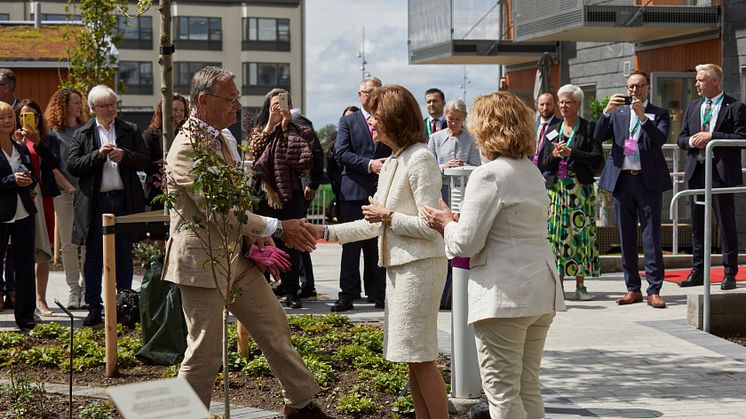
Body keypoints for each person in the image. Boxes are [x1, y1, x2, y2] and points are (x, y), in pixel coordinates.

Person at [162, 66, 329, 417]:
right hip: (202, 262)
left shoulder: (220, 137)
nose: (238, 105)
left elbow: (238, 204)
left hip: (237, 259)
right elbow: (220, 211)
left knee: (274, 328)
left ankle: (299, 405)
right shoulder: (187, 147)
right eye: (231, 98)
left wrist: (258, 242)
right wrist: (279, 229)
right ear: (204, 101)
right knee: (205, 353)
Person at [422, 91, 565, 419]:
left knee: (502, 394)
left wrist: (444, 223)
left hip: (505, 297)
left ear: (485, 128)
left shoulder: (488, 175)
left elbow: (465, 244)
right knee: (528, 386)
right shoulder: (531, 172)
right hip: (540, 291)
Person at [315, 84, 449, 418]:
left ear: (394, 118)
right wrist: (324, 231)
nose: (371, 122)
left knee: (421, 358)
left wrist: (388, 216)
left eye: (376, 115)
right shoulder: (392, 161)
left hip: (419, 270)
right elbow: (374, 224)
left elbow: (431, 226)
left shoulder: (420, 159)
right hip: (401, 271)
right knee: (412, 359)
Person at [67, 85, 150, 327]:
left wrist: (125, 156)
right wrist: (98, 155)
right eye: (104, 105)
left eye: (113, 104)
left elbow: (145, 159)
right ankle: (94, 307)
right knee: (93, 257)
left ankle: (124, 307)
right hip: (95, 203)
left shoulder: (129, 129)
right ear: (93, 109)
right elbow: (72, 165)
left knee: (123, 254)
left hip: (123, 200)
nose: (110, 109)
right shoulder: (83, 134)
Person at [595, 71, 671, 308]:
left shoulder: (659, 114)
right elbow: (597, 136)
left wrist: (643, 118)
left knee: (651, 236)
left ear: (647, 88)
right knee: (626, 237)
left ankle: (654, 289)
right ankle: (632, 288)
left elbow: (659, 140)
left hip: (647, 181)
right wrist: (606, 112)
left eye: (638, 86)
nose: (634, 91)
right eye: (630, 87)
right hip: (623, 181)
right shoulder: (617, 114)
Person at [677, 63, 746, 291]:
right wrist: (691, 142)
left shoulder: (735, 107)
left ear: (715, 82)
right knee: (697, 224)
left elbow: (741, 138)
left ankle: (729, 273)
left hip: (721, 174)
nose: (696, 84)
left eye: (700, 80)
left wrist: (712, 136)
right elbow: (681, 137)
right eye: (696, 80)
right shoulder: (693, 106)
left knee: (726, 224)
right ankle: (698, 270)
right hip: (697, 171)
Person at [248, 88, 314, 309]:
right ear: (267, 107)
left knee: (292, 243)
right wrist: (270, 124)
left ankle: (291, 290)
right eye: (274, 104)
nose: (278, 107)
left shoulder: (298, 129)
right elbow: (254, 154)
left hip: (290, 194)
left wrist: (286, 126)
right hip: (264, 195)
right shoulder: (259, 130)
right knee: (265, 240)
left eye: (282, 103)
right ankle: (265, 289)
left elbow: (300, 158)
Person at [538, 84, 603, 301]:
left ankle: (581, 285)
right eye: (561, 102)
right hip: (557, 190)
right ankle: (559, 285)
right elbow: (543, 163)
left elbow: (597, 160)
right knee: (557, 236)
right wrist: (555, 155)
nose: (563, 106)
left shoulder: (589, 128)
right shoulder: (552, 129)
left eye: (568, 102)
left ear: (578, 104)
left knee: (580, 235)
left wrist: (572, 152)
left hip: (580, 190)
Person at [333, 77, 391, 312]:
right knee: (350, 246)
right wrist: (370, 164)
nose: (370, 96)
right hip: (354, 191)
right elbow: (341, 153)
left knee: (377, 247)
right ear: (359, 95)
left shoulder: (389, 120)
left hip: (381, 193)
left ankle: (379, 294)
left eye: (375, 91)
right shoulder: (349, 121)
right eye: (366, 92)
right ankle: (347, 295)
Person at [14, 99, 59, 318]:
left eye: (32, 116)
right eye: (22, 116)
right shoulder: (10, 141)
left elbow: (54, 163)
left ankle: (40, 299)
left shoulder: (47, 139)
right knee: (20, 252)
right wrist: (18, 144)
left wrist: (37, 143)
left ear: (40, 119)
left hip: (42, 198)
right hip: (17, 199)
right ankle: (20, 300)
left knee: (42, 250)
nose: (27, 120)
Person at [45, 88, 89, 309]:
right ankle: (74, 291)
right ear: (63, 105)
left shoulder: (86, 130)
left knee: (87, 243)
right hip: (64, 194)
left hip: (86, 194)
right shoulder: (53, 135)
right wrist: (69, 188)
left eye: (80, 103)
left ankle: (88, 289)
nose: (79, 107)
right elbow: (52, 168)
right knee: (69, 244)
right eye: (74, 103)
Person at [0, 100, 37, 330]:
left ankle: (25, 317)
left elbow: (32, 175)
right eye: (2, 118)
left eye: (10, 117)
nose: (7, 121)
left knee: (25, 266)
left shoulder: (21, 147)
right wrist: (11, 180)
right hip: (1, 214)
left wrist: (27, 179)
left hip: (24, 212)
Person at [291, 107, 324, 300]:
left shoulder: (299, 121)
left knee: (298, 233)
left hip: (301, 189)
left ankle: (305, 284)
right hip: (297, 187)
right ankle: (302, 282)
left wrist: (312, 183)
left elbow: (316, 153)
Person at [426, 98, 481, 205]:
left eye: (458, 119)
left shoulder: (472, 139)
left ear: (464, 117)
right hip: (439, 189)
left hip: (465, 190)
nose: (453, 123)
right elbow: (428, 167)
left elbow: (476, 167)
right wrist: (443, 167)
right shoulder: (435, 138)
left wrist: (462, 166)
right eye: (450, 119)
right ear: (445, 115)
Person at [142, 93, 188, 210]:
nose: (179, 114)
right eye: (174, 110)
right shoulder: (149, 135)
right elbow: (146, 164)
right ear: (163, 111)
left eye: (182, 110)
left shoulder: (186, 134)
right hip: (157, 194)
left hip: (182, 193)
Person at [532, 92, 561, 167]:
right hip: (531, 168)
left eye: (548, 104)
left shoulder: (560, 125)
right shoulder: (531, 125)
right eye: (542, 104)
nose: (545, 108)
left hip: (549, 171)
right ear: (537, 105)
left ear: (554, 105)